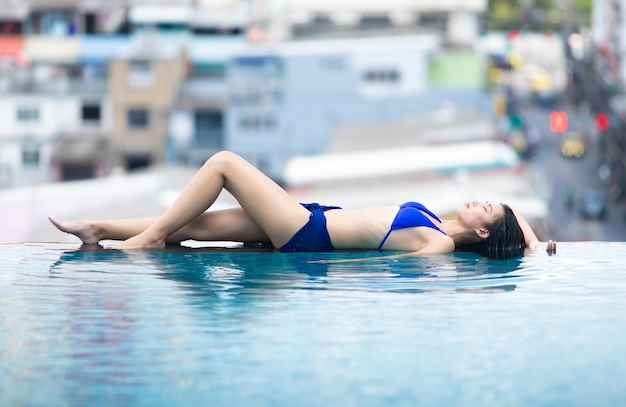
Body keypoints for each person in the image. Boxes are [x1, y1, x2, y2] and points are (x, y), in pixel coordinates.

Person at [49, 151, 556, 259]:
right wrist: (534, 244)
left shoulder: (438, 244)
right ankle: (98, 228)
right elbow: (518, 228)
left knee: (224, 164)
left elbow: (384, 273)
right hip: (313, 217)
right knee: (199, 225)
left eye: (486, 207)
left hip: (305, 234)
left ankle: (150, 239)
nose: (479, 200)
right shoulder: (440, 221)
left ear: (486, 232)